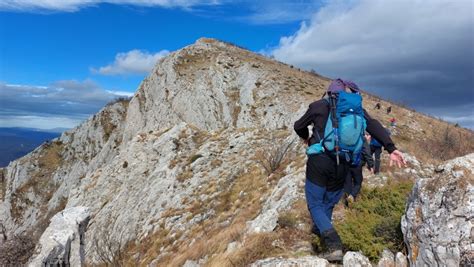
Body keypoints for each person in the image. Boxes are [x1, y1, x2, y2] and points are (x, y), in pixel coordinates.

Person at [294, 79, 406, 261]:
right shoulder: (355, 110)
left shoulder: (318, 106)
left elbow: (298, 125)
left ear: (329, 92)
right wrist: (391, 148)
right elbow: (375, 126)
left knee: (315, 203)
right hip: (343, 164)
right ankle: (321, 233)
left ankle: (332, 241)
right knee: (329, 202)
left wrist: (306, 136)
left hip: (320, 162)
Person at [344, 133, 374, 206]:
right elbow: (367, 152)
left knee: (348, 183)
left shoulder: (346, 136)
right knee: (358, 182)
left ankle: (347, 203)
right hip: (357, 164)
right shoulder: (362, 139)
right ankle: (352, 196)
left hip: (346, 163)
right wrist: (371, 165)